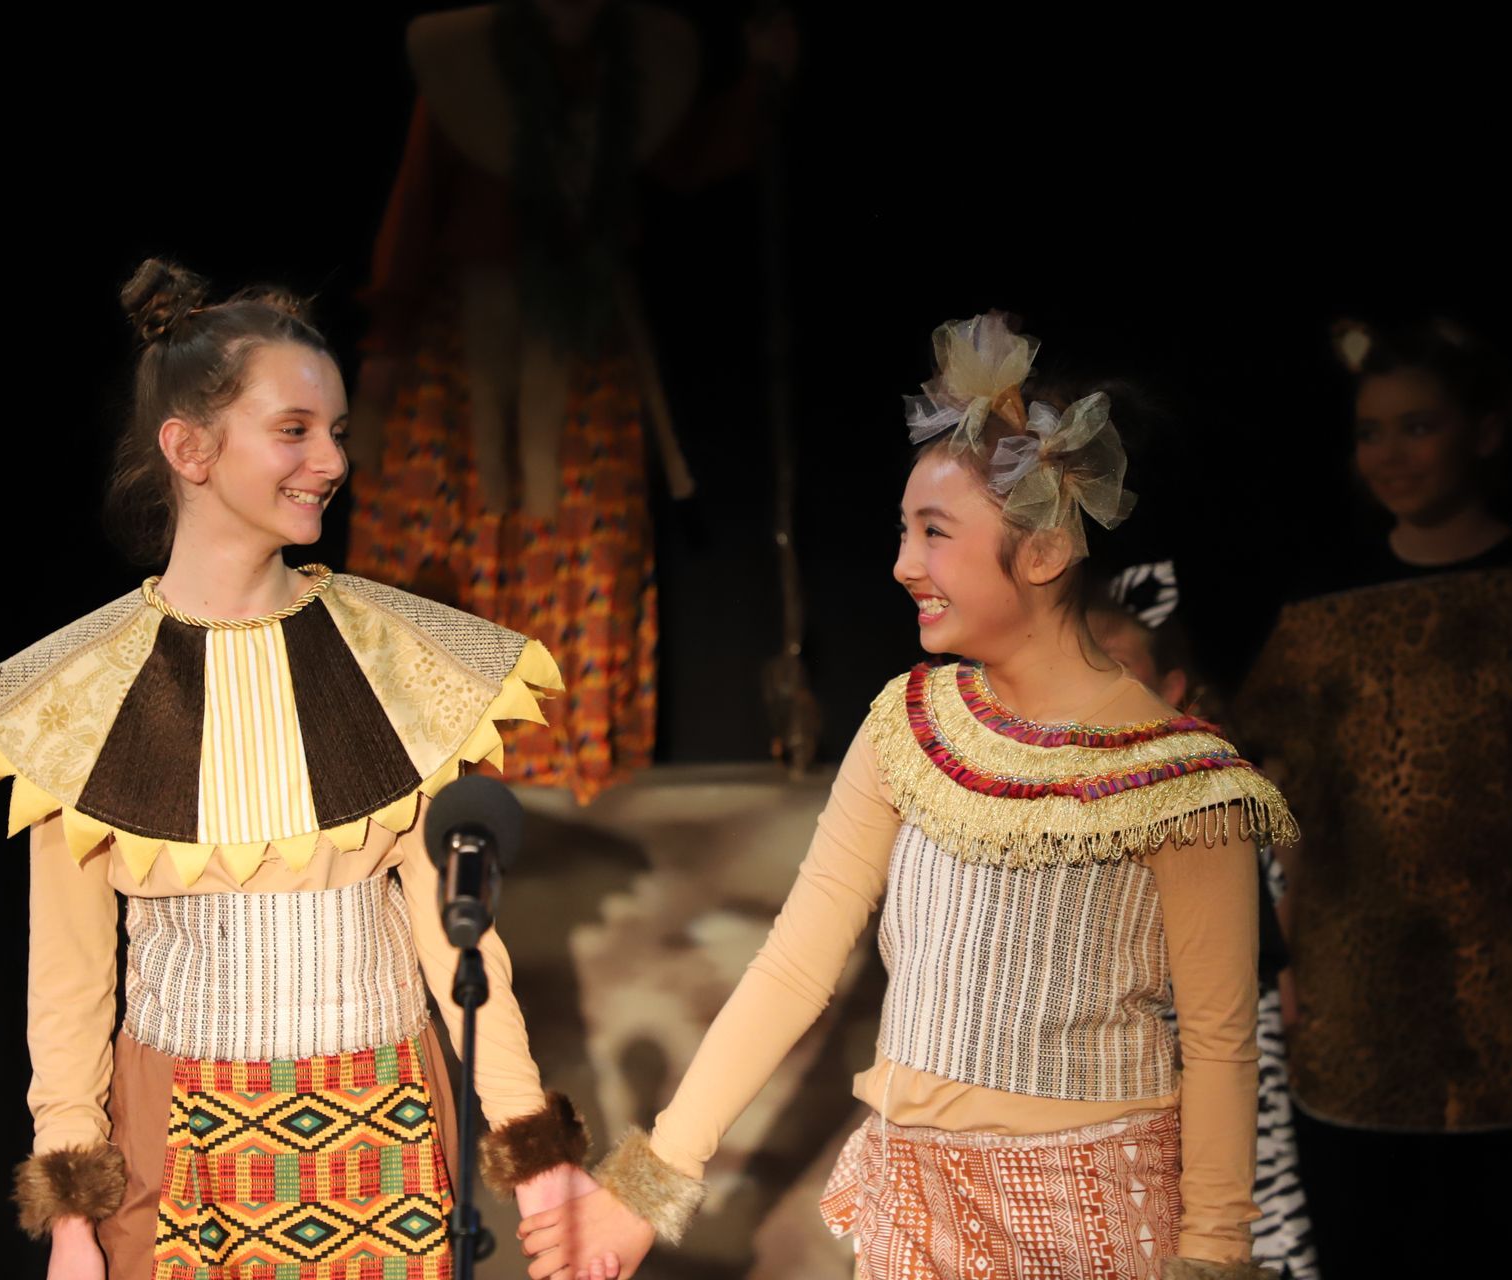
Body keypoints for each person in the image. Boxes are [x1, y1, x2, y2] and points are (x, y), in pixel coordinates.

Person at [520, 314, 1296, 1280]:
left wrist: (1213, 1258)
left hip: (1088, 1219)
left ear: (1045, 552)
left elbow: (1220, 1048)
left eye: (935, 533)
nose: (902, 564)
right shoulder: (912, 726)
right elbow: (793, 967)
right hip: (916, 1211)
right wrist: (648, 1185)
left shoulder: (1181, 780)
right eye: (903, 531)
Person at [0, 260, 597, 1280]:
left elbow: (459, 940)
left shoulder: (395, 660)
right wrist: (71, 1221)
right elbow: (68, 982)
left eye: (338, 432)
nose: (331, 459)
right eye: (294, 429)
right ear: (188, 448)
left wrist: (534, 1151)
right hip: (178, 1145)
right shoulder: (81, 694)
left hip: (388, 1130)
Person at [344, 0, 797, 802]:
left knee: (585, 543)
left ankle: (562, 759)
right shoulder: (470, 80)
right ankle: (433, 759)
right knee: (450, 548)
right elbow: (414, 210)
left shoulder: (623, 84)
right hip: (464, 359)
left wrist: (761, 78)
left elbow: (688, 152)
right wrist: (383, 349)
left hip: (579, 348)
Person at [1232, 319, 1512, 1277]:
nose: (1391, 455)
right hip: (1355, 1003)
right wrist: (1286, 949)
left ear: (1483, 432)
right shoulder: (1319, 608)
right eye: (1371, 432)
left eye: (1419, 426)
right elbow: (1286, 797)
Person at [1090, 580, 1319, 1280]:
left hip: (1221, 1032)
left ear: (1174, 686)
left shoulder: (1207, 785)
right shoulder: (1070, 796)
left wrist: (1285, 983)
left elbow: (1271, 902)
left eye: (1122, 666)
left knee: (1248, 1196)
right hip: (1128, 1055)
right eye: (1091, 665)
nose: (1103, 686)